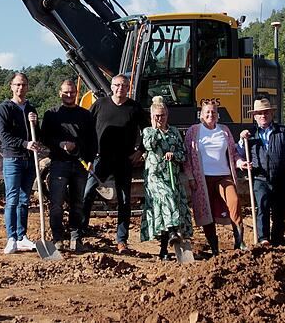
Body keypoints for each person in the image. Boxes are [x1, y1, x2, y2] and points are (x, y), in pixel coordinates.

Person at [82, 74, 148, 254]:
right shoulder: (100, 105)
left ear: (128, 87)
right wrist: (87, 157)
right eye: (117, 85)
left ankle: (121, 240)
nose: (120, 88)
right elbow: (86, 130)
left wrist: (140, 151)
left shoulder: (134, 108)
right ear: (112, 87)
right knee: (87, 193)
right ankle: (80, 232)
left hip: (123, 161)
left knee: (125, 200)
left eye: (124, 85)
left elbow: (147, 130)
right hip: (100, 159)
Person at [40, 80, 96, 253]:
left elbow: (92, 140)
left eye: (72, 92)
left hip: (80, 165)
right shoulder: (51, 114)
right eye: (66, 92)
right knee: (56, 203)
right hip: (58, 164)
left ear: (76, 92)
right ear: (60, 93)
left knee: (78, 203)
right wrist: (60, 143)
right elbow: (44, 138)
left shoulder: (85, 115)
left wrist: (91, 160)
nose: (69, 95)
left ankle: (75, 238)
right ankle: (58, 238)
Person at [236, 98, 285, 246]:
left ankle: (278, 240)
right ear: (254, 116)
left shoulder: (283, 131)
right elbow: (238, 152)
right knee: (262, 207)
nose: (262, 116)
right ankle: (263, 239)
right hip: (259, 177)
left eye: (265, 113)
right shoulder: (249, 135)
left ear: (271, 114)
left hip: (279, 177)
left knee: (278, 211)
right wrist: (241, 141)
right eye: (259, 113)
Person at [183, 101, 246, 255]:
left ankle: (239, 241)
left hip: (223, 175)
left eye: (213, 112)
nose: (210, 115)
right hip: (202, 178)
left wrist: (240, 163)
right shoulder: (194, 131)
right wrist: (190, 177)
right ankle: (214, 247)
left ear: (218, 115)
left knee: (234, 202)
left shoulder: (224, 130)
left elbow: (233, 152)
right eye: (207, 112)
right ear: (201, 115)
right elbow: (187, 157)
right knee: (207, 211)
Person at [140, 96, 192, 260]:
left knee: (169, 209)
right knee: (167, 197)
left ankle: (164, 249)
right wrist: (155, 128)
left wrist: (174, 155)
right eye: (156, 116)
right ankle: (172, 232)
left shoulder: (174, 131)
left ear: (167, 115)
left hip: (172, 176)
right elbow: (149, 145)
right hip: (155, 177)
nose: (159, 119)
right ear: (151, 116)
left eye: (162, 116)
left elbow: (184, 154)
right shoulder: (148, 131)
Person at [0, 72, 40, 254]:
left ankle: (22, 237)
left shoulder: (31, 109)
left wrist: (35, 124)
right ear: (11, 86)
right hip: (13, 159)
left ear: (28, 87)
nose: (21, 88)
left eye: (24, 85)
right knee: (12, 199)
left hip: (30, 161)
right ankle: (11, 238)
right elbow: (3, 136)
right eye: (17, 85)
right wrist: (25, 144)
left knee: (24, 200)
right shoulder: (4, 108)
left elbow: (38, 134)